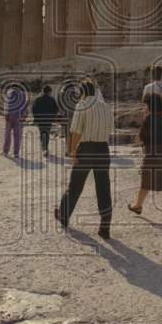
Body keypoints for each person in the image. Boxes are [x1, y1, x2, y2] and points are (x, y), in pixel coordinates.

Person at [55, 80, 113, 239]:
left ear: (83, 92)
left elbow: (76, 132)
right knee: (103, 187)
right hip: (103, 149)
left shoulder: (82, 105)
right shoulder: (106, 107)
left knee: (75, 185)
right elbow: (110, 130)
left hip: (86, 149)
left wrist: (72, 151)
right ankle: (105, 226)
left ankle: (64, 215)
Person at [128, 93, 162, 223]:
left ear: (150, 105)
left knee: (146, 182)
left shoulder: (149, 119)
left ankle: (138, 206)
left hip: (152, 155)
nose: (145, 107)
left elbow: (139, 138)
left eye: (146, 105)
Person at [31, 85, 60, 157]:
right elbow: (56, 109)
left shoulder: (37, 99)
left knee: (42, 133)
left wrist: (36, 118)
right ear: (49, 92)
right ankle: (45, 148)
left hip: (40, 120)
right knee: (47, 133)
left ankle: (44, 147)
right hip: (48, 120)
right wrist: (52, 116)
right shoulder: (52, 99)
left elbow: (33, 109)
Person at [2, 85, 27, 158]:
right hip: (19, 116)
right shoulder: (23, 94)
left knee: (7, 134)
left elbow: (7, 105)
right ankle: (16, 153)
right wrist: (24, 116)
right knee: (17, 136)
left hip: (10, 116)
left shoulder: (9, 93)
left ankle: (5, 151)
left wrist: (6, 114)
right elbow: (25, 106)